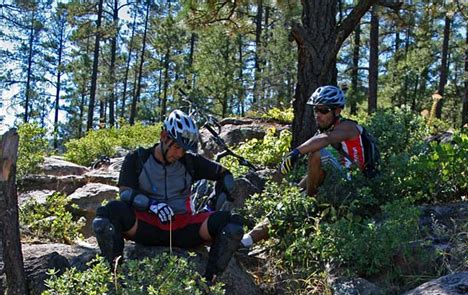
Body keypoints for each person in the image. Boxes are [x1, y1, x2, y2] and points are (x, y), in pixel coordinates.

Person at [92, 109, 244, 284]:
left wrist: (215, 204)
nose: (179, 153)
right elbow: (125, 193)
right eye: (177, 146)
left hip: (182, 229)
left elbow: (225, 176)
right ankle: (115, 277)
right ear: (164, 136)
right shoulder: (137, 159)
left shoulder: (190, 161)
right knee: (107, 215)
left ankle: (209, 282)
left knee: (232, 225)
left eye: (184, 149)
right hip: (146, 225)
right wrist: (151, 205)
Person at [242, 85, 367, 249]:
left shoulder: (349, 127)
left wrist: (294, 153)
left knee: (316, 153)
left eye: (323, 110)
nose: (318, 115)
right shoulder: (322, 134)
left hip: (355, 186)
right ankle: (246, 241)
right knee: (289, 202)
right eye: (316, 110)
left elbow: (324, 140)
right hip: (332, 182)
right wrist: (288, 188)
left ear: (337, 111)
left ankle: (309, 199)